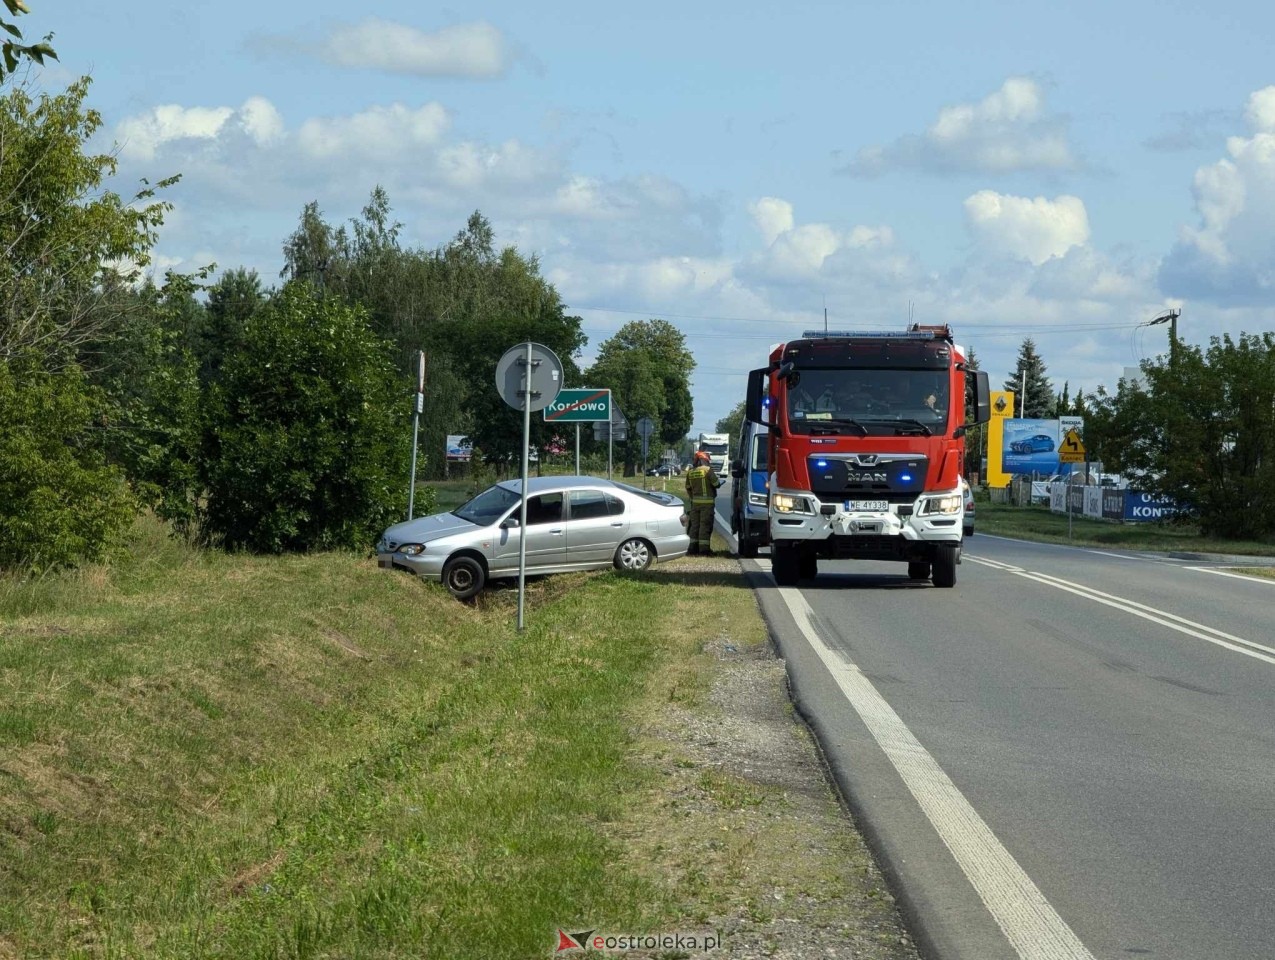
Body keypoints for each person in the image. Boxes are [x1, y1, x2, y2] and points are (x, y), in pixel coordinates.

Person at [684, 450, 722, 556]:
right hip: (707, 504)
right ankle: (704, 550)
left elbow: (688, 487)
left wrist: (692, 498)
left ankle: (692, 548)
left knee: (694, 526)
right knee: (705, 526)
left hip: (695, 504)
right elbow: (716, 484)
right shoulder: (707, 470)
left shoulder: (691, 472)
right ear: (704, 460)